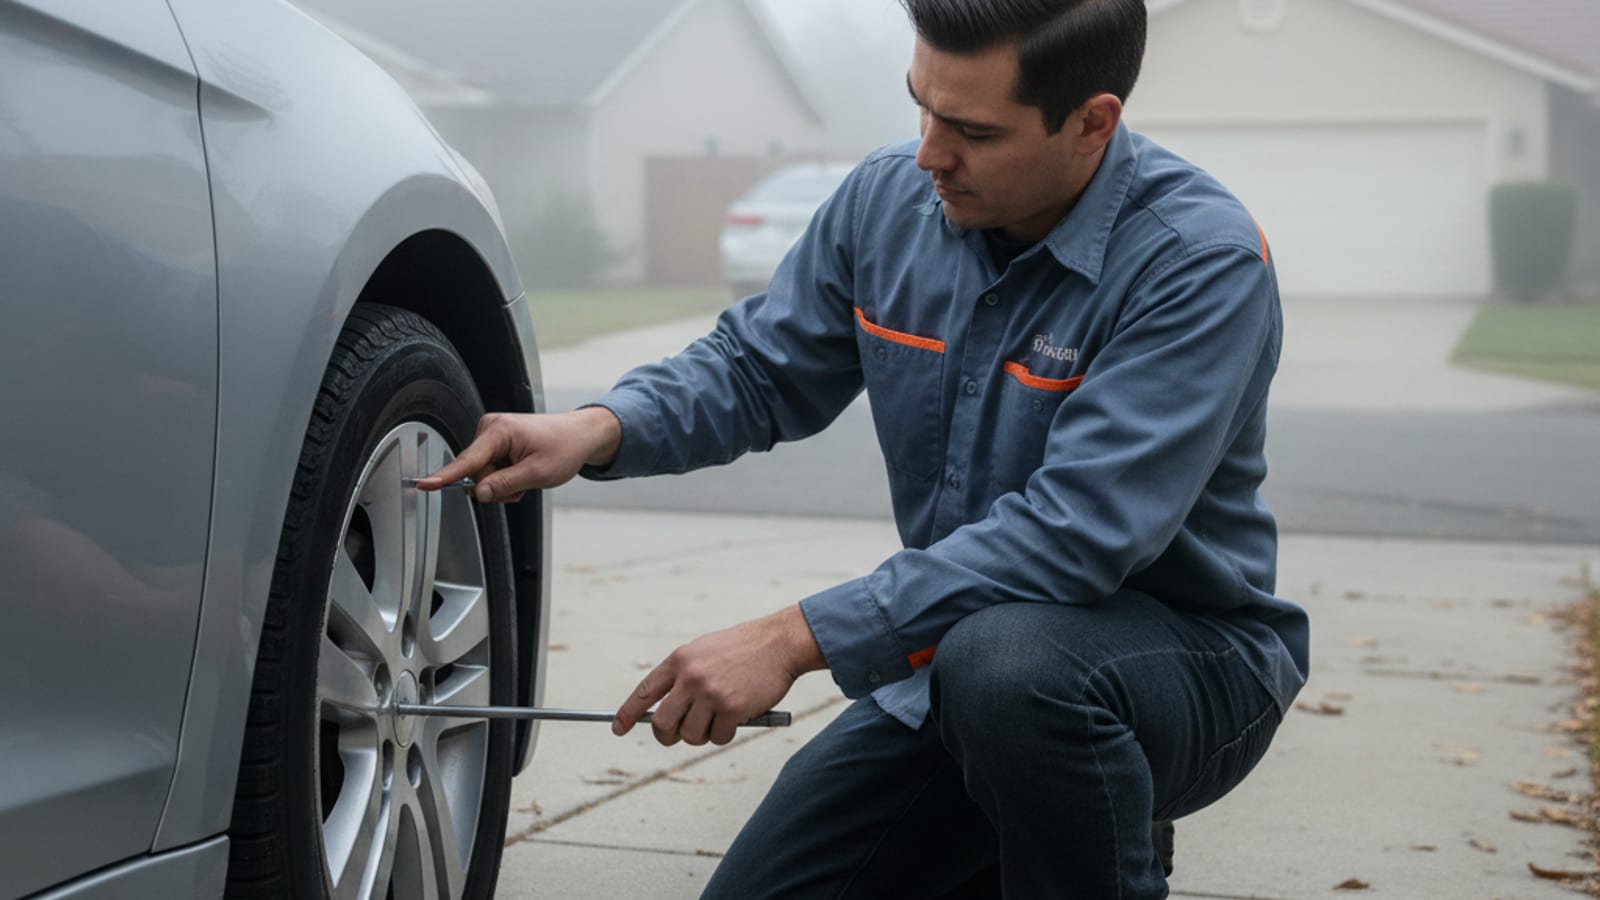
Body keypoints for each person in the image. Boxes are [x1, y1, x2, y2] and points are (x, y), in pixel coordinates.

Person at [421, 0, 1309, 894]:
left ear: (1092, 123)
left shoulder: (1196, 260)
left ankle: (1091, 838)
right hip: (954, 656)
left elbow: (1074, 535)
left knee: (1015, 675)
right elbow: (759, 368)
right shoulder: (889, 202)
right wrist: (598, 428)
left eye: (971, 130)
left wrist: (788, 639)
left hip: (1183, 663)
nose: (930, 152)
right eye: (920, 105)